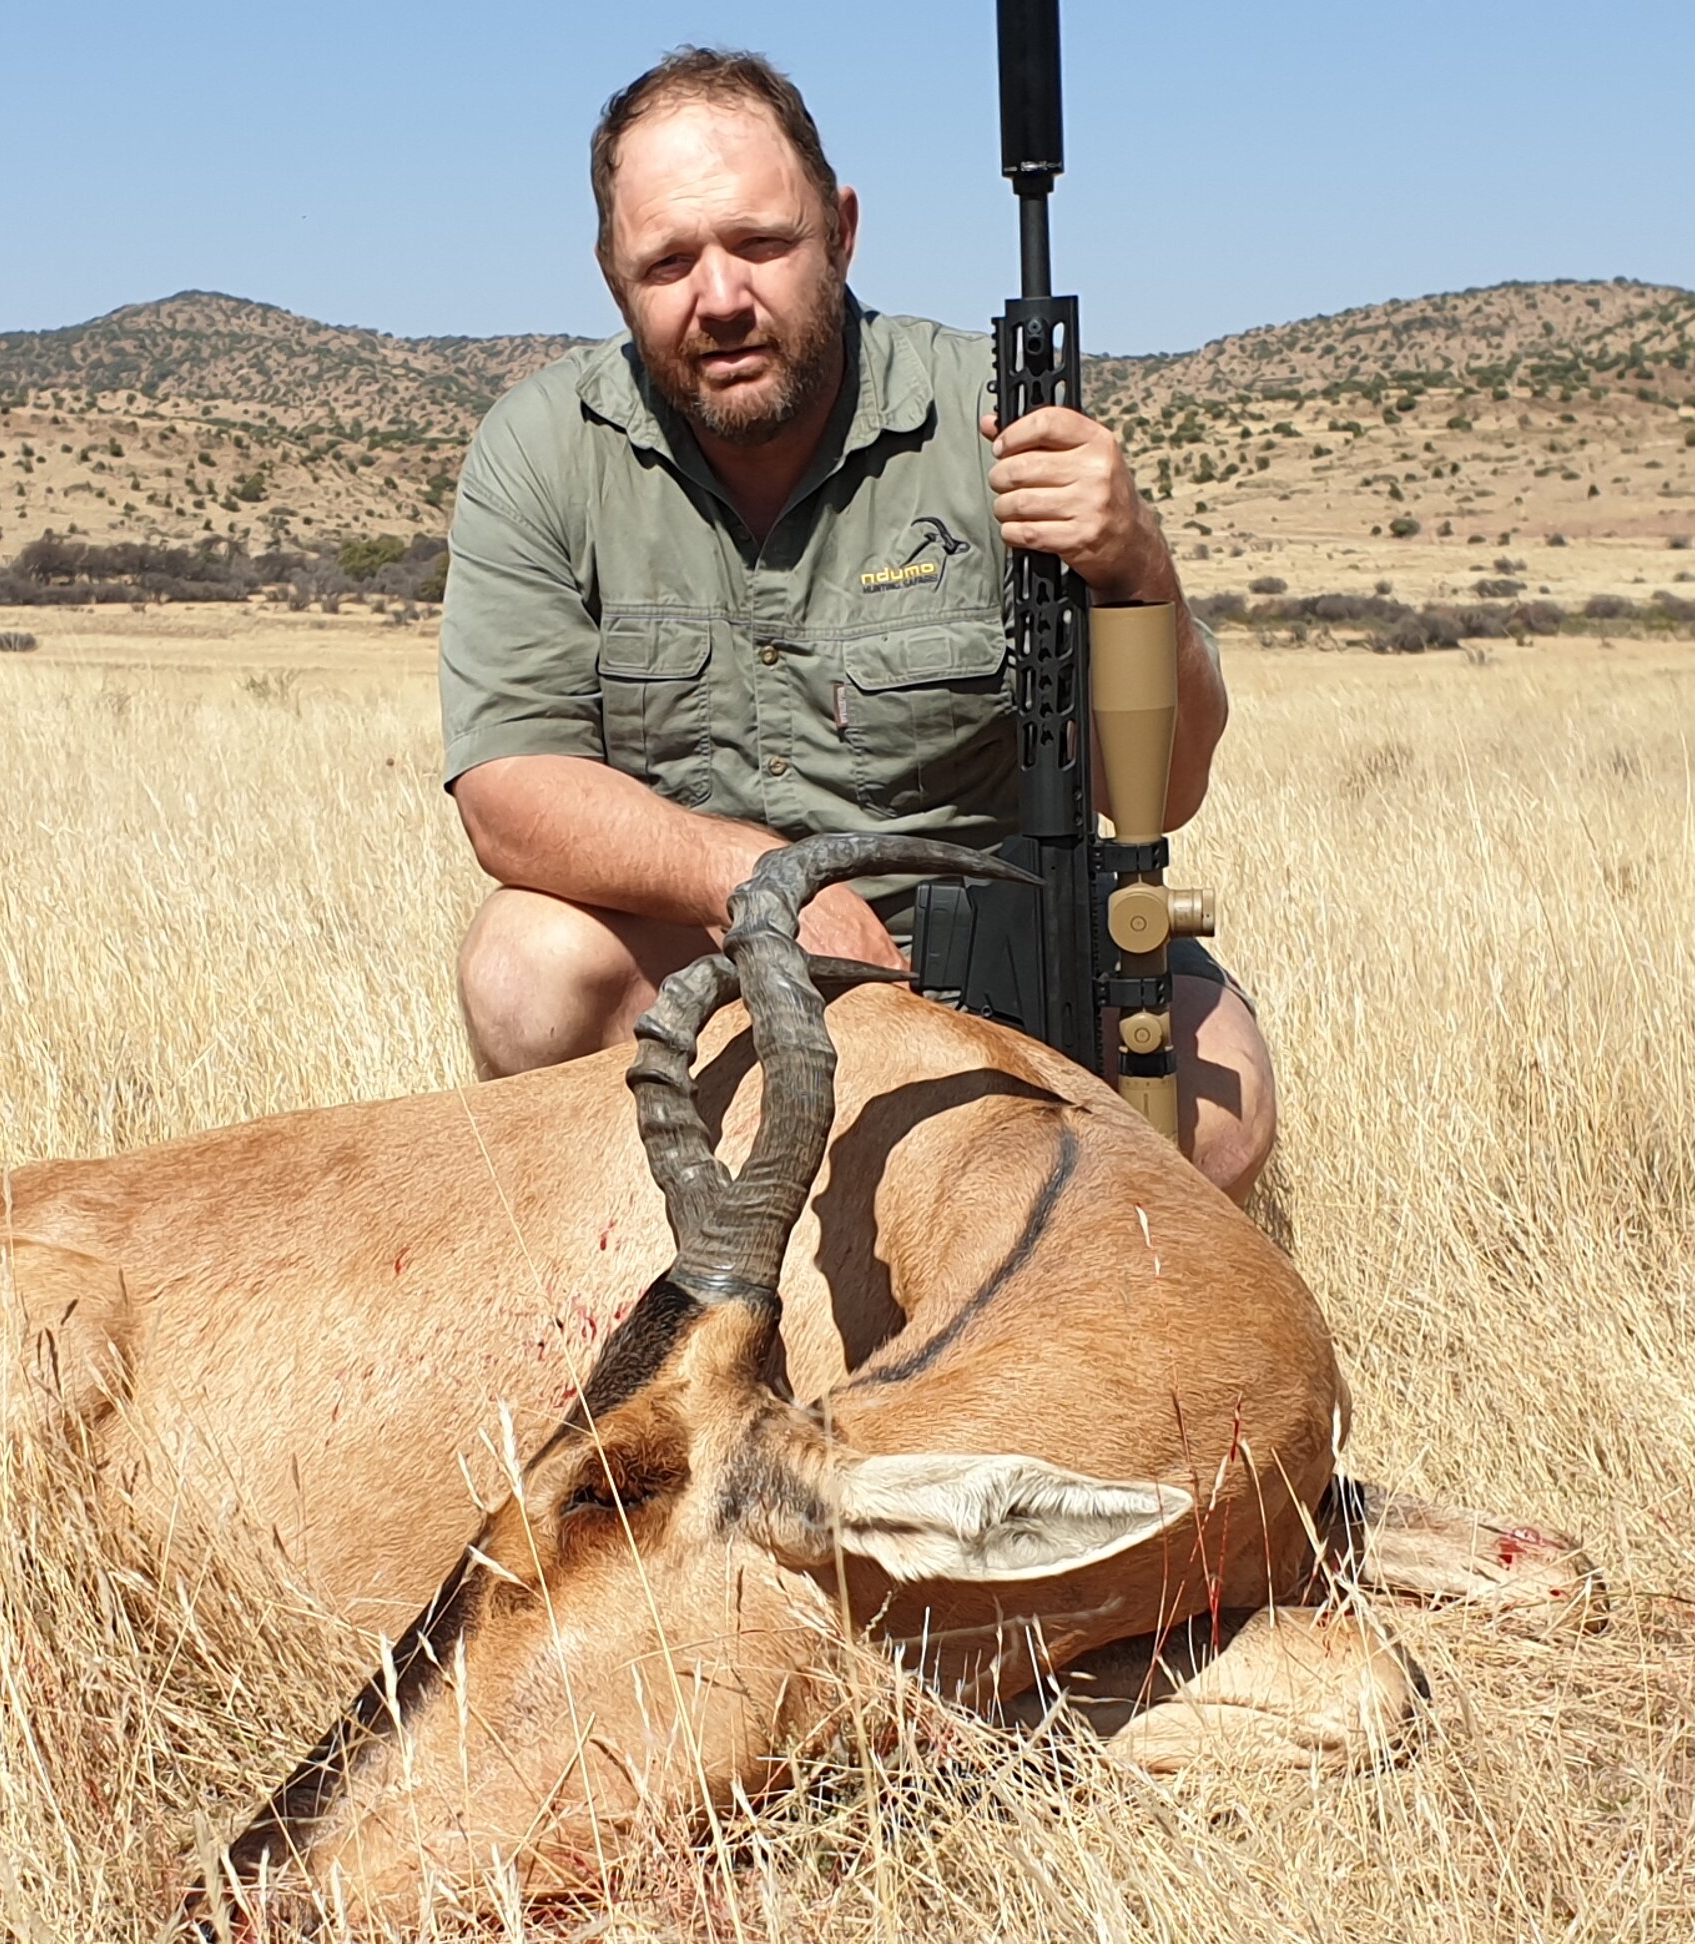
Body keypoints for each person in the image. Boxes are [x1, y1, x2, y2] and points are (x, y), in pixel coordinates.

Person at [436, 46, 1276, 1199]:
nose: (721, 298)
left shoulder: (1000, 420)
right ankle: (632, 1305)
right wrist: (768, 881)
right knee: (525, 967)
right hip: (715, 961)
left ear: (839, 229)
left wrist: (1139, 569)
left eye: (761, 244)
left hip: (1000, 971)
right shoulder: (538, 451)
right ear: (611, 274)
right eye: (669, 261)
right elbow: (511, 792)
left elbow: (1160, 793)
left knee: (1218, 1079)